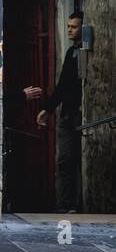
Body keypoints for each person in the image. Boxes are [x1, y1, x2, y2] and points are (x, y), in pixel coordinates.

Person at [25, 12, 84, 213]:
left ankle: (72, 204)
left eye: (74, 27)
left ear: (83, 29)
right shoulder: (70, 52)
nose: (69, 30)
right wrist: (47, 110)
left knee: (72, 160)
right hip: (67, 114)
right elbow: (62, 86)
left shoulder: (84, 52)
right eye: (68, 26)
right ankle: (66, 205)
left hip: (78, 114)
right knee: (64, 161)